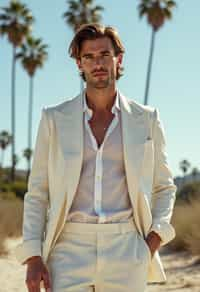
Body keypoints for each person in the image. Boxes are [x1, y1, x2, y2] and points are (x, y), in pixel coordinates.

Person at [15, 23, 177, 292]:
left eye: (104, 55)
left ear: (118, 59)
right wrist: (33, 256)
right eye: (88, 57)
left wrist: (151, 243)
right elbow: (38, 192)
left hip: (127, 247)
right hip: (68, 247)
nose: (97, 63)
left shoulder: (146, 119)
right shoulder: (54, 119)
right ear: (79, 64)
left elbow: (165, 186)